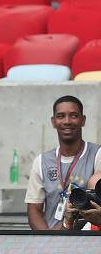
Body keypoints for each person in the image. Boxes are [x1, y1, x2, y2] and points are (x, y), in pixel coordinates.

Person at [26, 96, 101, 230]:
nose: (67, 121)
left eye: (73, 116)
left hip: (87, 240)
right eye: (61, 116)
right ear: (53, 121)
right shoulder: (42, 161)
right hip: (53, 243)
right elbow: (34, 210)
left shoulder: (97, 155)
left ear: (83, 120)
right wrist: (49, 241)